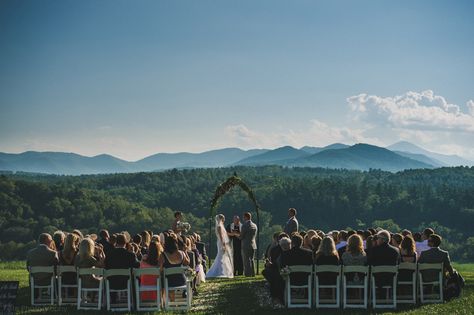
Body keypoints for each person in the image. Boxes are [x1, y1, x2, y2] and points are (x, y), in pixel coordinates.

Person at [159, 233, 190, 301]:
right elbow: (187, 263)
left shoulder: (163, 255)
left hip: (169, 282)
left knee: (162, 279)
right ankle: (177, 300)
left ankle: (167, 301)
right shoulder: (182, 253)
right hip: (181, 281)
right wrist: (186, 251)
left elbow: (160, 269)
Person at [239, 212, 258, 277]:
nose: (243, 219)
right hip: (253, 244)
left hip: (246, 244)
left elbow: (241, 236)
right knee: (252, 259)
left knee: (246, 260)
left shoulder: (244, 225)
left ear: (246, 217)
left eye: (244, 217)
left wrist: (236, 234)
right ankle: (253, 273)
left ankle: (247, 274)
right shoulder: (254, 225)